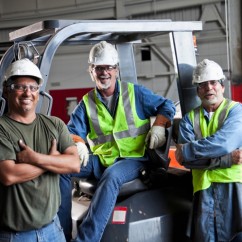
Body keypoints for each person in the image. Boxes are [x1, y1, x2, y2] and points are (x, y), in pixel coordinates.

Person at [58, 40, 176, 242]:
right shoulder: (87, 102)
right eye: (99, 68)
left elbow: (167, 106)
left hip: (134, 159)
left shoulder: (135, 93)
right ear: (91, 71)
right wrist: (77, 143)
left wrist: (160, 125)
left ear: (116, 70)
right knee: (62, 168)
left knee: (112, 176)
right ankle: (61, 235)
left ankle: (86, 239)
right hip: (102, 159)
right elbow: (72, 131)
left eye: (109, 68)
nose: (104, 72)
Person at [0, 58, 80, 242]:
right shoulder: (2, 128)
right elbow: (9, 175)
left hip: (53, 230)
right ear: (6, 89)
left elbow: (74, 164)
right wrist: (53, 160)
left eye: (33, 87)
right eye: (20, 87)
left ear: (39, 92)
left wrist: (34, 158)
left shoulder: (54, 124)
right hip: (16, 237)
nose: (28, 93)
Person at [175, 59, 242, 242]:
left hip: (234, 188)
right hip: (204, 190)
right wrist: (226, 160)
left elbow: (224, 143)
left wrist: (187, 150)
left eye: (213, 83)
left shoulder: (236, 112)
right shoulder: (189, 119)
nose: (209, 88)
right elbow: (186, 162)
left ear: (222, 86)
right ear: (197, 90)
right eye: (203, 85)